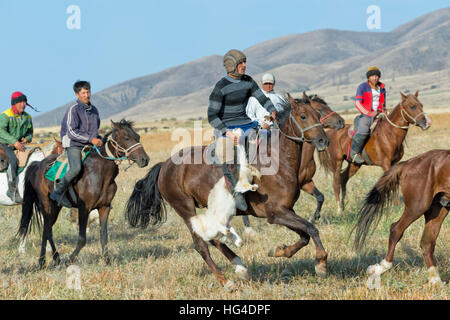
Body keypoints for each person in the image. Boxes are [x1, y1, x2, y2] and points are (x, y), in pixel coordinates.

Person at [208, 49, 277, 211]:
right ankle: (235, 191)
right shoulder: (221, 87)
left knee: (268, 141)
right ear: (231, 65)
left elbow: (262, 98)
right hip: (226, 127)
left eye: (245, 62)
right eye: (241, 63)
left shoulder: (248, 81)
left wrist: (272, 110)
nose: (245, 65)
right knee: (227, 150)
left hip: (246, 124)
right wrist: (227, 132)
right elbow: (212, 115)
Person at [49, 81, 103, 207]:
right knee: (76, 168)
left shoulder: (94, 110)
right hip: (73, 143)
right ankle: (58, 192)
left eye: (88, 91)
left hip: (88, 143)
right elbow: (72, 132)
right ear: (77, 94)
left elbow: (95, 129)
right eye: (83, 93)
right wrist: (91, 139)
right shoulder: (73, 109)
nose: (87, 95)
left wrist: (98, 139)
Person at [0, 92, 34, 202]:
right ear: (14, 104)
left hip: (20, 145)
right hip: (5, 144)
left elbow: (30, 132)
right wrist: (14, 142)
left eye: (24, 102)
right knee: (13, 160)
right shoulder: (6, 115)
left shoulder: (27, 117)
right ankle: (11, 189)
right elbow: (1, 131)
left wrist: (27, 139)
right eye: (20, 102)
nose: (23, 104)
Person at [350, 66, 386, 164]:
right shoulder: (362, 87)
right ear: (368, 77)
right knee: (363, 130)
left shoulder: (382, 88)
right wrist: (369, 113)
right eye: (373, 76)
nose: (375, 78)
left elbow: (383, 103)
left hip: (379, 114)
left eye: (377, 76)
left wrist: (383, 112)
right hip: (366, 115)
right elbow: (357, 103)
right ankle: (354, 153)